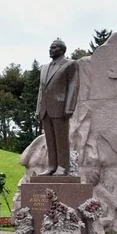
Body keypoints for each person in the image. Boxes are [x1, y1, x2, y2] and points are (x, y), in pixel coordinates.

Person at [35, 38, 79, 176]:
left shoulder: (70, 64)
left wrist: (69, 107)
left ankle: (63, 167)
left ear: (61, 50)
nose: (50, 49)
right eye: (50, 47)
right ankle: (51, 166)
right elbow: (41, 90)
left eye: (53, 47)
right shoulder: (44, 68)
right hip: (45, 109)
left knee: (61, 139)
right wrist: (38, 109)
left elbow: (73, 86)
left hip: (60, 107)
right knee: (50, 140)